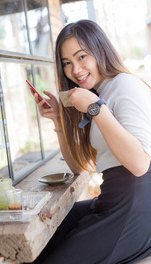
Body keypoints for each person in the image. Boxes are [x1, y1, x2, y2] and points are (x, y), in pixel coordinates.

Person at [31, 20, 151, 263]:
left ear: (100, 50)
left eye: (82, 56)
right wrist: (57, 120)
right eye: (67, 63)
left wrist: (96, 109)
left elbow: (140, 165)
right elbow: (78, 167)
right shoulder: (101, 94)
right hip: (112, 201)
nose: (75, 70)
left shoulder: (123, 85)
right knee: (45, 233)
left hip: (133, 208)